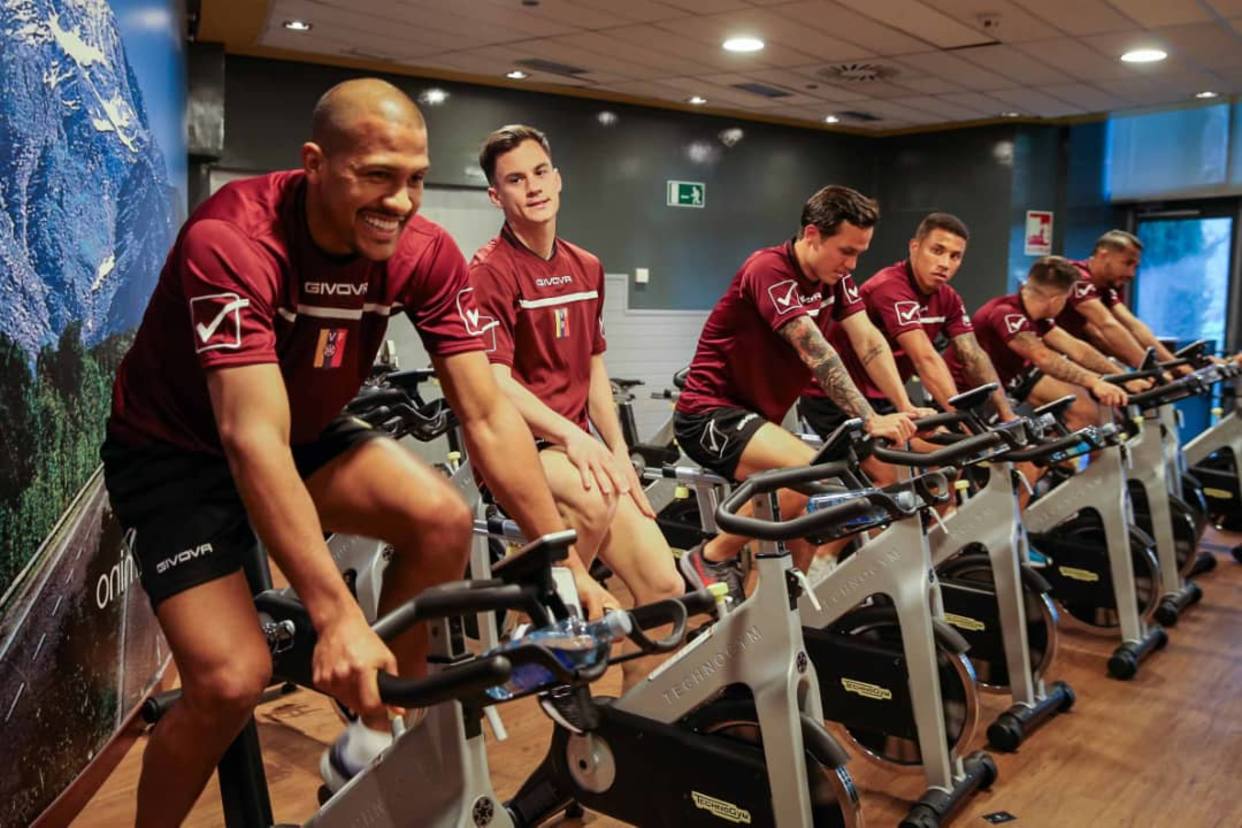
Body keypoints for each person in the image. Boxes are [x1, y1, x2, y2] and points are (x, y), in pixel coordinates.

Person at [100, 79, 582, 824]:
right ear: (315, 164)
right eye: (378, 176)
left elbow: (486, 411)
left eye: (416, 179)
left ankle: (374, 738)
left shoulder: (422, 251)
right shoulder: (232, 239)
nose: (402, 201)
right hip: (177, 453)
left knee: (441, 518)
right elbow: (249, 438)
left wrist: (559, 561)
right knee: (231, 680)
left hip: (299, 428)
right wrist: (335, 616)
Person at [467, 124, 683, 690]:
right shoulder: (489, 270)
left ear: (558, 179)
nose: (533, 187)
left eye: (541, 172)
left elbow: (593, 368)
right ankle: (542, 623)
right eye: (516, 180)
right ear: (495, 196)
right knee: (592, 499)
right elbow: (496, 382)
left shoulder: (586, 266)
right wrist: (574, 437)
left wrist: (620, 453)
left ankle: (632, 715)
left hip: (575, 447)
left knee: (664, 588)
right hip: (519, 448)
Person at [673, 185, 917, 601]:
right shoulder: (768, 269)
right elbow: (816, 352)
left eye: (859, 253)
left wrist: (905, 406)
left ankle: (773, 612)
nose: (852, 264)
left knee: (808, 514)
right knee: (814, 476)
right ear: (812, 234)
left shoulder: (836, 280)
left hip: (756, 421)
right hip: (709, 415)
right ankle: (710, 557)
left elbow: (869, 341)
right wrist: (870, 418)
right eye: (845, 251)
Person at [799, 213, 1017, 468]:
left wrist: (1007, 416)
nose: (944, 263)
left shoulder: (948, 298)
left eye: (955, 256)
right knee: (890, 474)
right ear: (915, 247)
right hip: (835, 399)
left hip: (885, 397)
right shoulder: (890, 286)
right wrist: (965, 423)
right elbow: (924, 358)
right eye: (937, 251)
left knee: (950, 460)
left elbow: (973, 355)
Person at [943, 256, 1134, 505]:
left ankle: (1058, 479)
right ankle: (1012, 529)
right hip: (969, 402)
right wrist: (1094, 382)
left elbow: (1077, 349)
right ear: (1055, 300)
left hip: (1002, 394)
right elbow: (1042, 357)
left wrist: (1122, 377)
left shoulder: (1037, 316)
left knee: (1086, 425)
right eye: (1065, 299)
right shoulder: (1005, 313)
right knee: (1027, 468)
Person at [1056, 230, 1189, 374]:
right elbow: (1106, 325)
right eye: (1127, 263)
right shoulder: (1076, 275)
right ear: (1103, 255)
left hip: (1072, 356)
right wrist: (1155, 369)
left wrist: (1172, 364)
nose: (1131, 274)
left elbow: (1133, 325)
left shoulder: (1108, 285)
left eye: (1135, 267)